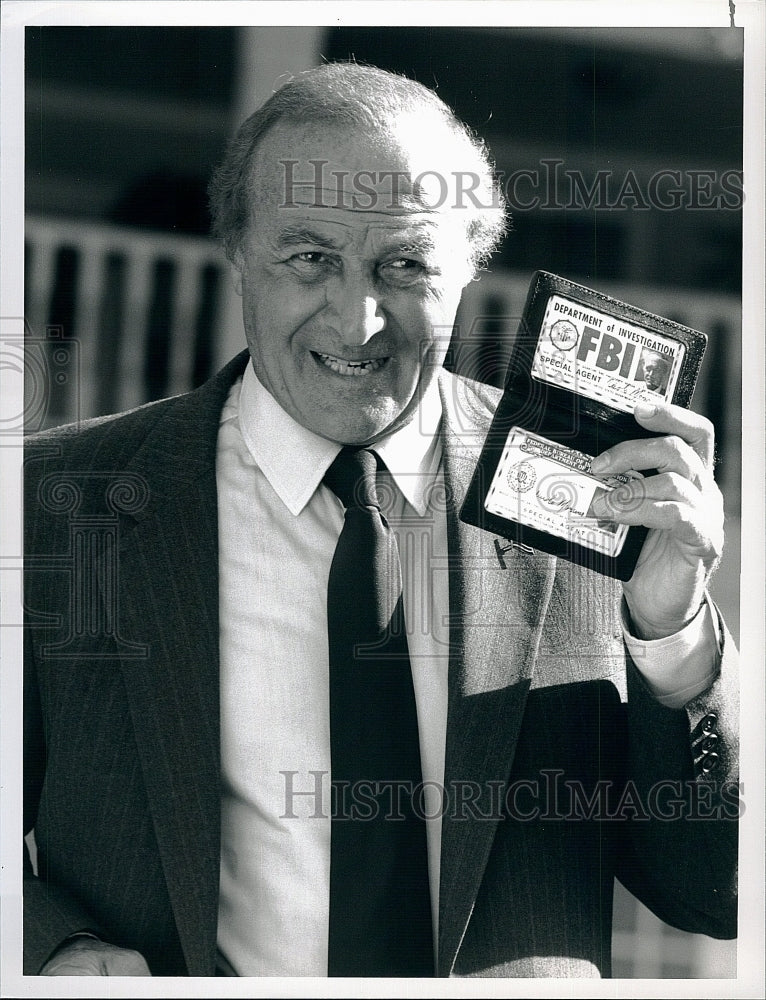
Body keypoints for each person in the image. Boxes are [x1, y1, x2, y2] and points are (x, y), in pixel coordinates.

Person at [24, 62, 738, 979]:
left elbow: (716, 895)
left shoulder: (593, 497)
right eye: (310, 257)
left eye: (404, 264)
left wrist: (674, 635)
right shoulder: (54, 502)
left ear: (471, 269)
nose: (358, 320)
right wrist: (53, 950)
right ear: (237, 248)